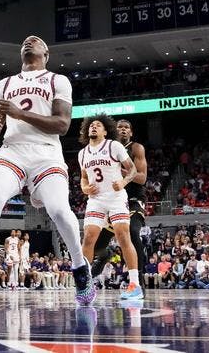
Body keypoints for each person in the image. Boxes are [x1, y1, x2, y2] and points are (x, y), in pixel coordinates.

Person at [0, 36, 95, 307]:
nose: (28, 42)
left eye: (35, 41)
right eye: (24, 41)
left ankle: (79, 266)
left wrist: (19, 113)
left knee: (59, 210)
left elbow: (62, 125)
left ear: (46, 53)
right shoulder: (4, 83)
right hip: (12, 150)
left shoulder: (57, 80)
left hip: (46, 153)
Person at [78, 114, 143, 301]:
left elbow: (132, 170)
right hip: (96, 199)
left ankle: (134, 285)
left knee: (123, 236)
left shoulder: (114, 146)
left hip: (115, 197)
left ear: (106, 131)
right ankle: (86, 285)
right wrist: (84, 187)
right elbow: (83, 177)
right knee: (89, 238)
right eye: (91, 125)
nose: (93, 127)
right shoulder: (82, 153)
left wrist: (123, 182)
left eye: (98, 125)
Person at [89, 118, 148, 287]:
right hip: (112, 200)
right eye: (119, 127)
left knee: (132, 231)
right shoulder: (106, 149)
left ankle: (138, 278)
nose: (123, 129)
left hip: (133, 200)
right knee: (94, 245)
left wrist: (118, 170)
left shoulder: (136, 148)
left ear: (131, 132)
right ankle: (105, 255)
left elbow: (142, 178)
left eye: (126, 127)